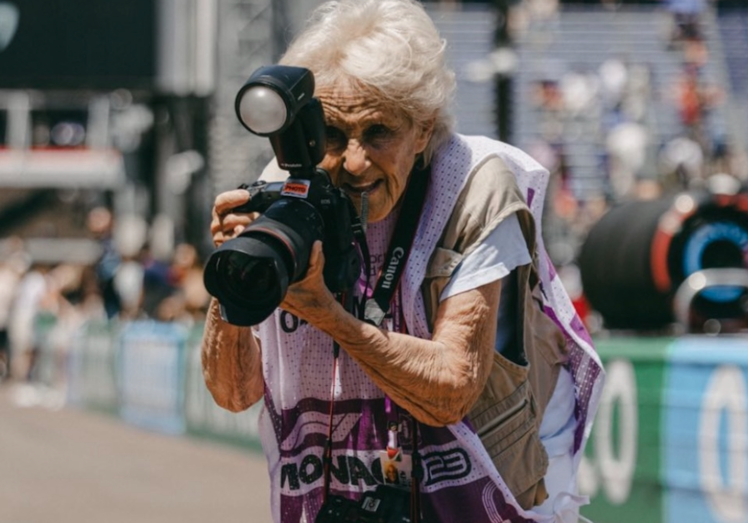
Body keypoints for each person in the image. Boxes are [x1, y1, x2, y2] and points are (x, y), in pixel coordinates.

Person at [200, 2, 605, 522]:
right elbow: (233, 393)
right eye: (331, 134)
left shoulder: (473, 187)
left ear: (423, 129)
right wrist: (235, 275)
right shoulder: (287, 186)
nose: (353, 161)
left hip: (478, 502)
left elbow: (452, 389)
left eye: (377, 133)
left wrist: (327, 314)